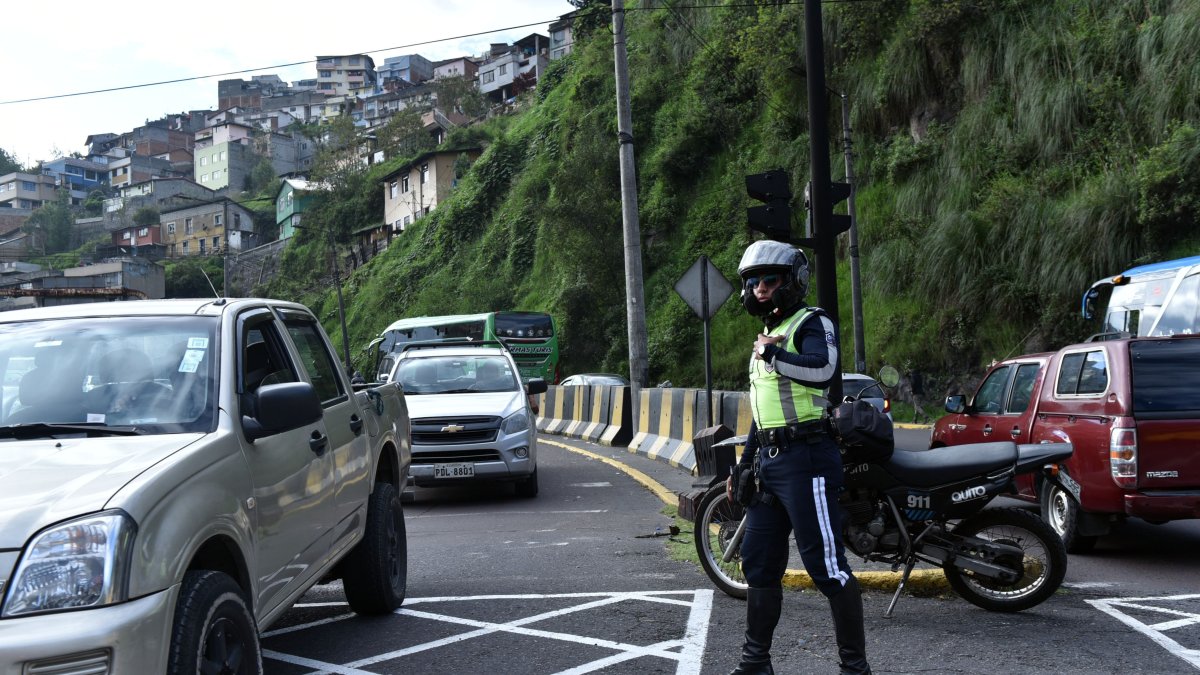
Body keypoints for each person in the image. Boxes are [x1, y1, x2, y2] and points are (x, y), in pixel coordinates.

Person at [726, 239, 870, 675]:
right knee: (759, 562)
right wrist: (745, 462)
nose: (760, 289)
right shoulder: (766, 337)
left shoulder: (812, 322)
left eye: (769, 280)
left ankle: (855, 669)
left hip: (807, 459)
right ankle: (755, 664)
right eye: (752, 282)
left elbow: (823, 370)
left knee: (826, 566)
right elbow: (764, 411)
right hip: (770, 461)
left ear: (792, 281)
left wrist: (774, 353)